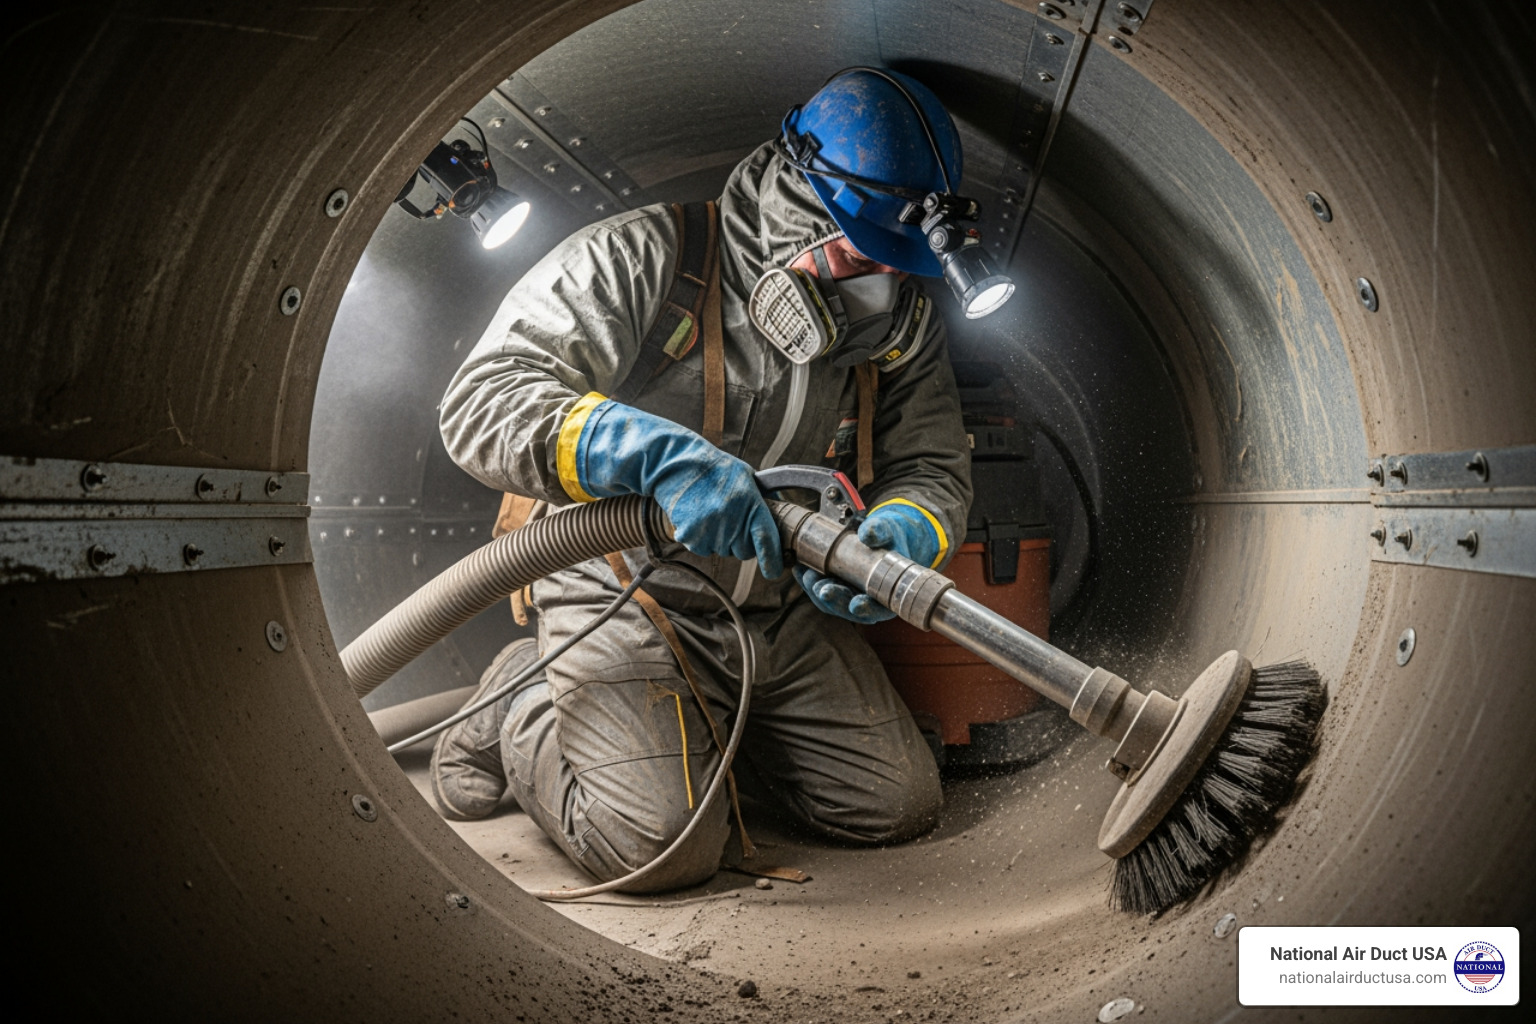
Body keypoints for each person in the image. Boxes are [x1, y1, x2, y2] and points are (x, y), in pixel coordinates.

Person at [434, 68, 972, 891]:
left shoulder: (898, 322)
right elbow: (484, 400)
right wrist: (660, 457)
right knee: (657, 847)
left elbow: (933, 466)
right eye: (860, 259)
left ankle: (696, 735)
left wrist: (902, 535)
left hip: (777, 601)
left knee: (894, 805)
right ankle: (524, 700)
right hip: (625, 587)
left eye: (898, 270)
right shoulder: (649, 254)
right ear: (798, 205)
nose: (876, 292)